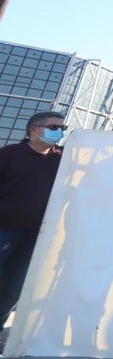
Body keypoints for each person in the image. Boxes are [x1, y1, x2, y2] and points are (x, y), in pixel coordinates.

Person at [0, 112, 66, 338]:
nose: (60, 132)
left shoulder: (64, 159)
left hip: (39, 233)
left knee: (16, 285)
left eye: (62, 128)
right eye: (54, 127)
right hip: (5, 229)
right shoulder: (9, 154)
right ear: (34, 129)